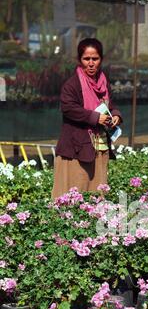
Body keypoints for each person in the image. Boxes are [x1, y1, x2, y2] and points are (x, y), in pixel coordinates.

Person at [52, 38, 122, 199]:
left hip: (100, 146)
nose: (91, 63)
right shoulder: (72, 84)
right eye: (86, 59)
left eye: (95, 59)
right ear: (79, 60)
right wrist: (94, 117)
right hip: (77, 148)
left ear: (101, 59)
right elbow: (68, 108)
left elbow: (110, 104)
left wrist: (116, 114)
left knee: (96, 193)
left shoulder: (104, 82)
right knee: (75, 195)